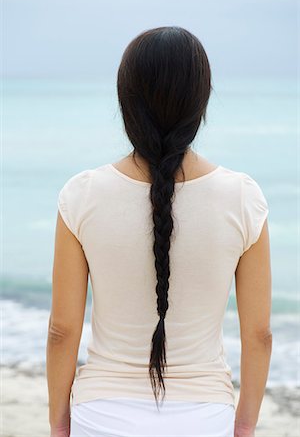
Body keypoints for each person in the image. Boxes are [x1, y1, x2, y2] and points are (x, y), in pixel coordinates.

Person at [47, 26, 272, 437]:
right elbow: (258, 334)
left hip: (101, 416)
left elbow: (63, 330)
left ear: (126, 100)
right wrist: (243, 426)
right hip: (204, 417)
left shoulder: (81, 195)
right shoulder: (243, 197)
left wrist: (60, 423)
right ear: (200, 101)